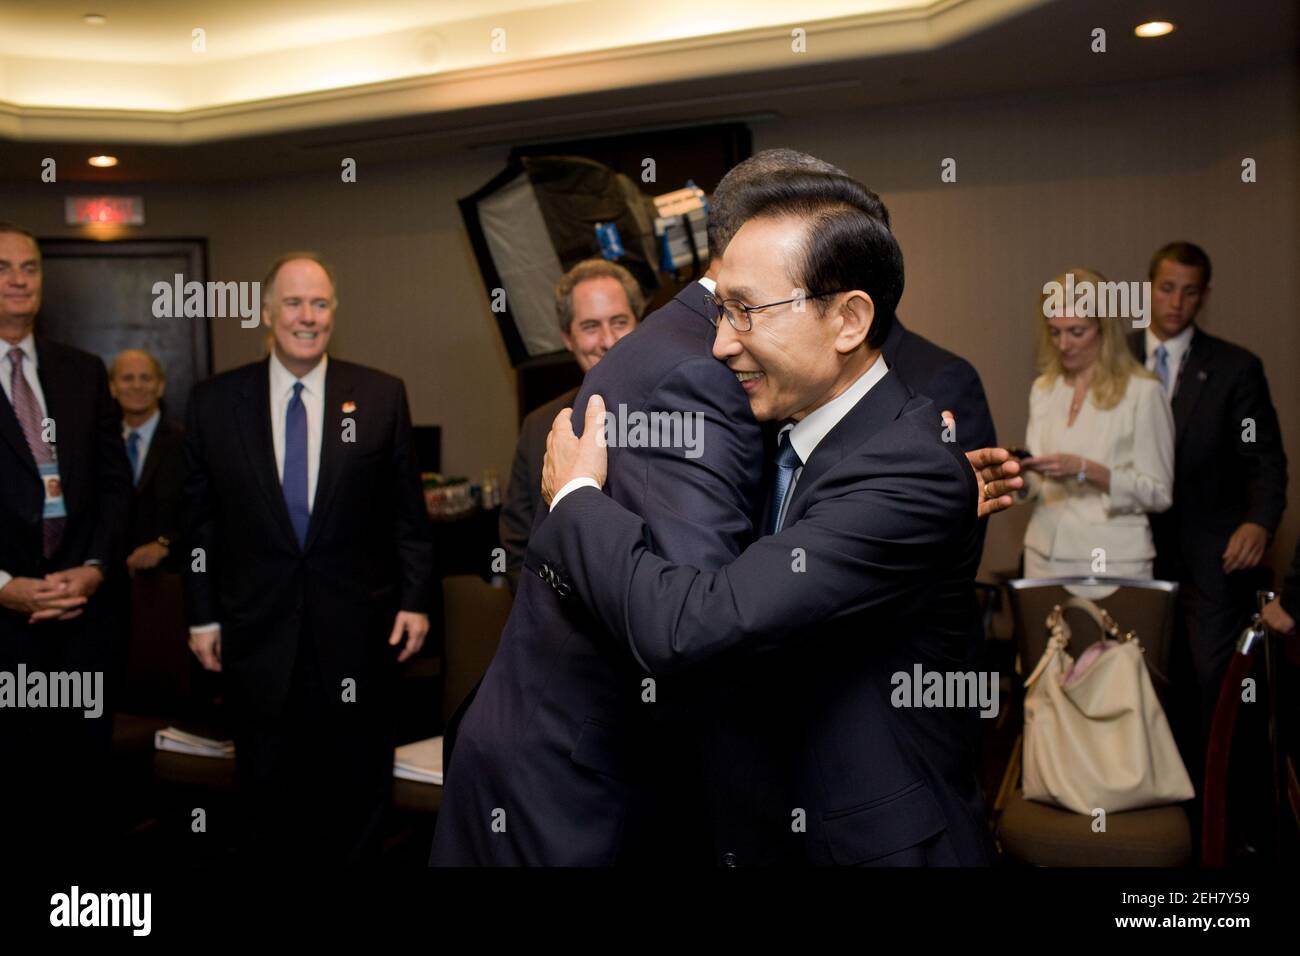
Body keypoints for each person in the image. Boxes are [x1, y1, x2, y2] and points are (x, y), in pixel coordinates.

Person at [534, 170, 1015, 865]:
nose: (724, 342)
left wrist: (577, 498)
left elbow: (691, 626)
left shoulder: (908, 469)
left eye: (747, 311)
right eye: (722, 310)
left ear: (849, 319)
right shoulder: (802, 440)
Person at [183, 252, 433, 865]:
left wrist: (416, 601)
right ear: (267, 313)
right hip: (255, 639)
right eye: (293, 303)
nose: (307, 316)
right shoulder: (215, 403)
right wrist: (202, 616)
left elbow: (408, 516)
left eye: (320, 303)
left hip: (358, 637)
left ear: (334, 313)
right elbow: (198, 523)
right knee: (266, 803)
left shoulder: (379, 396)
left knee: (357, 799)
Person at [0, 222, 133, 858]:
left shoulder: (82, 372)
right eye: (2, 268)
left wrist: (96, 566)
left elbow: (116, 488)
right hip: (3, 628)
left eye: (30, 267)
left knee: (82, 793)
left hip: (84, 621)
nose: (19, 279)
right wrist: (3, 588)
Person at [1126, 242, 1288, 735]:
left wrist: (1259, 522)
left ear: (1204, 297)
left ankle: (1211, 802)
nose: (1176, 303)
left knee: (1208, 681)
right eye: (1167, 289)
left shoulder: (1236, 368)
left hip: (1211, 556)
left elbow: (1265, 460)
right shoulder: (1115, 360)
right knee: (1133, 676)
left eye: (1189, 292)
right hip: (1131, 546)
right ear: (1148, 291)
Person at [1019, 267, 1174, 590]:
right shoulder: (1045, 389)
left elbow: (1158, 493)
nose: (1064, 344)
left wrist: (1086, 470)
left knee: (1111, 644)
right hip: (1043, 554)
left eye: (1077, 332)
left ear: (1105, 330)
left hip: (1112, 560)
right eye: (1054, 332)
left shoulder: (1142, 393)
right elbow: (1038, 481)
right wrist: (1016, 477)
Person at [499, 259, 643, 590]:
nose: (608, 340)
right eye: (590, 326)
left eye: (620, 321)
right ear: (567, 337)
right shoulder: (538, 428)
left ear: (640, 324)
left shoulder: (681, 411)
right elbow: (517, 544)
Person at [110, 349, 185, 575]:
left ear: (160, 386)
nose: (136, 386)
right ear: (112, 388)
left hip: (169, 579)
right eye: (127, 378)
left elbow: (201, 509)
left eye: (146, 378)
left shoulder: (186, 442)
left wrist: (164, 543)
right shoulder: (99, 442)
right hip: (109, 578)